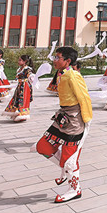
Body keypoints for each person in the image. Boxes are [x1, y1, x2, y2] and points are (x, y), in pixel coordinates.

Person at [34, 46, 93, 203]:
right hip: (63, 116)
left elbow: (84, 97)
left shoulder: (73, 76)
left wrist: (87, 119)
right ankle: (65, 168)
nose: (54, 60)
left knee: (70, 160)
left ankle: (75, 189)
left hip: (74, 121)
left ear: (67, 61)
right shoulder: (62, 74)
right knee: (42, 147)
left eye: (57, 57)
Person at [3, 55, 34, 122]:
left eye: (20, 60)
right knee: (17, 99)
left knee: (23, 100)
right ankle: (17, 113)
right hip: (20, 86)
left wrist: (32, 78)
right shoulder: (20, 69)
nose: (18, 61)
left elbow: (31, 77)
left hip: (25, 86)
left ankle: (22, 114)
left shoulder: (27, 69)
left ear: (25, 61)